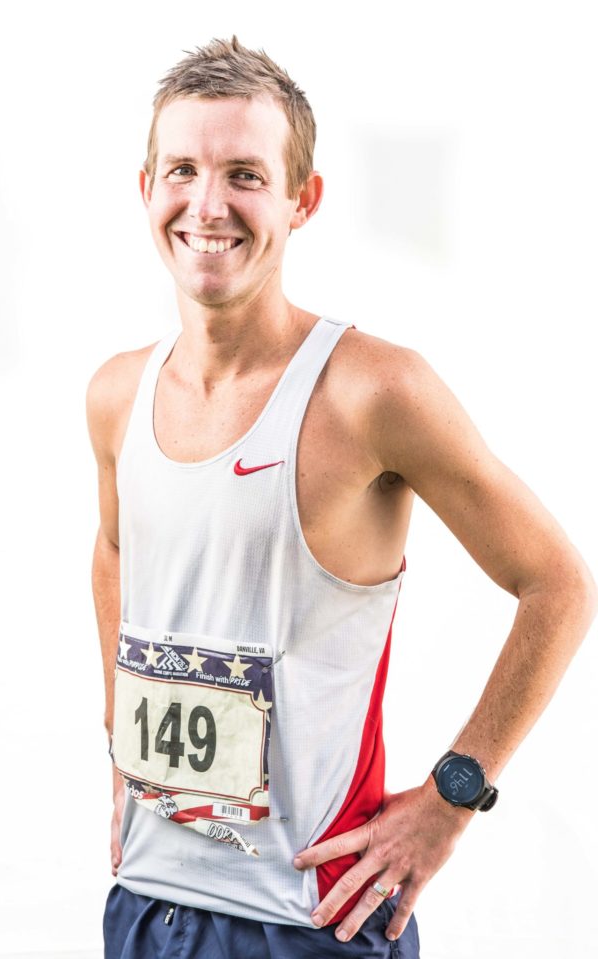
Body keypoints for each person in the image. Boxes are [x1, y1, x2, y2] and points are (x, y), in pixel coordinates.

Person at [86, 35, 597, 959]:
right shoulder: (118, 392)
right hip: (146, 903)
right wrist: (122, 745)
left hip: (313, 917)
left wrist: (453, 797)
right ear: (145, 187)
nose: (208, 205)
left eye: (244, 173)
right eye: (182, 171)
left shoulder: (373, 393)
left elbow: (557, 583)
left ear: (301, 198)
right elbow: (117, 548)